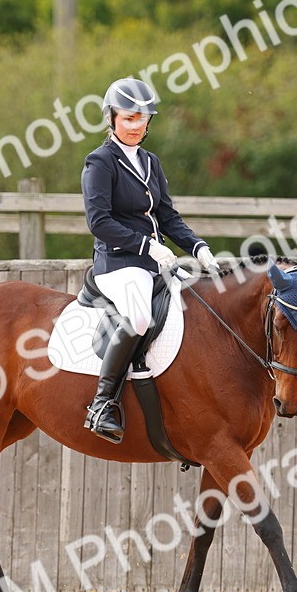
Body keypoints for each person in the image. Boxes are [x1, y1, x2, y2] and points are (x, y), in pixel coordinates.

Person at [81, 77, 219, 443]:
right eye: (128, 119)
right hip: (117, 264)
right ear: (111, 118)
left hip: (154, 262)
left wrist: (198, 247)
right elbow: (99, 222)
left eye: (141, 119)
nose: (135, 126)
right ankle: (102, 404)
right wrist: (147, 246)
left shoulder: (150, 162)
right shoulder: (100, 162)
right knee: (140, 316)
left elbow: (167, 216)